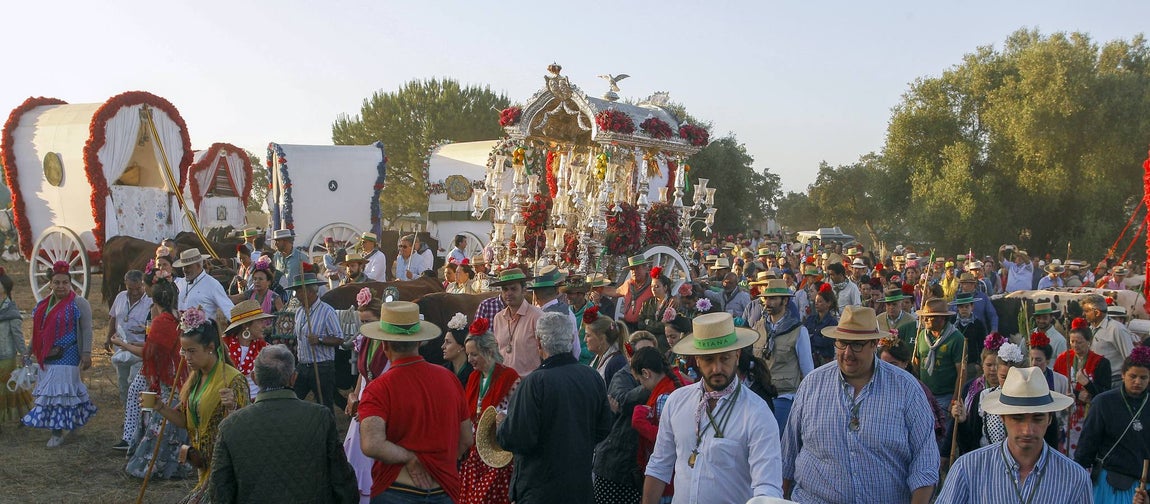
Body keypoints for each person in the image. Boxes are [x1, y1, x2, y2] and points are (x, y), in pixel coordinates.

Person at [783, 306, 938, 503]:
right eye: (842, 343)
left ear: (874, 344)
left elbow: (925, 463)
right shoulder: (811, 385)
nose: (847, 353)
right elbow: (787, 456)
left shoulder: (906, 388)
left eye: (856, 345)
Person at [642, 312, 781, 503]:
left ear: (737, 356)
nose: (717, 368)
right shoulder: (677, 402)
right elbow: (659, 465)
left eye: (724, 358)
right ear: (697, 360)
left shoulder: (757, 413)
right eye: (708, 359)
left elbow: (767, 487)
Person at [210, 345, 358, 503]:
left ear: (254, 378)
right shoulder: (321, 417)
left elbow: (220, 491)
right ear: (294, 378)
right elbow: (343, 482)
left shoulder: (230, 426)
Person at [358, 301, 471, 503]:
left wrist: (410, 457)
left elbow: (372, 444)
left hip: (396, 490)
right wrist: (438, 465)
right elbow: (466, 439)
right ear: (419, 343)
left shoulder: (378, 388)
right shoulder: (450, 379)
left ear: (384, 345)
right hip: (443, 490)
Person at [498, 312, 611, 503]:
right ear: (572, 339)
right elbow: (603, 428)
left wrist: (502, 425)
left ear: (539, 343)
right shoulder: (591, 377)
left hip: (540, 489)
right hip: (578, 488)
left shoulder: (535, 382)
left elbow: (518, 439)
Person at [940, 366, 1090, 502]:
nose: (1027, 430)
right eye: (1018, 418)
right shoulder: (968, 469)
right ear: (1002, 417)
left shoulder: (1075, 478)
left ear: (1049, 418)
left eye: (1037, 418)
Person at [153, 308, 250, 503]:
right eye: (184, 351)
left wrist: (232, 407)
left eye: (192, 351)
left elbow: (245, 428)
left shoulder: (233, 380)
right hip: (202, 466)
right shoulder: (195, 379)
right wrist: (160, 407)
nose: (186, 357)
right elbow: (185, 421)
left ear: (210, 348)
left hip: (224, 467)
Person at [22, 261, 98, 447]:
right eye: (57, 282)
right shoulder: (42, 305)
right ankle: (68, 427)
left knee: (61, 393)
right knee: (57, 395)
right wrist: (29, 351)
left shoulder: (79, 303)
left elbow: (86, 329)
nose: (61, 286)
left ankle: (57, 432)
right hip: (47, 356)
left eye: (65, 282)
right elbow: (37, 332)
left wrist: (86, 353)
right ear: (50, 284)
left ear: (70, 284)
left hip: (68, 355)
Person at [125, 277, 192, 480]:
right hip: (182, 379)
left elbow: (149, 353)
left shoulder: (162, 322)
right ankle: (179, 464)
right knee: (176, 422)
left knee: (163, 421)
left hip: (169, 380)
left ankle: (151, 466)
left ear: (155, 301)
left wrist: (123, 344)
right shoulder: (180, 317)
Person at [1075, 345, 1150, 503]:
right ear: (1123, 374)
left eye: (1143, 378)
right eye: (1133, 376)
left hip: (1143, 489)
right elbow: (1087, 446)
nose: (1137, 382)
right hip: (1109, 485)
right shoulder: (1104, 402)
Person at [459, 319, 520, 504]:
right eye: (468, 354)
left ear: (489, 351)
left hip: (497, 455)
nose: (469, 360)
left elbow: (518, 414)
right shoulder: (473, 377)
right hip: (474, 455)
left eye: (474, 354)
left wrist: (504, 417)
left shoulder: (509, 377)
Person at [753, 278, 813, 432]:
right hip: (759, 395)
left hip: (785, 396)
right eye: (766, 299)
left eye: (773, 299)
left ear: (785, 301)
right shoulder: (758, 327)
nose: (768, 303)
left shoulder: (798, 331)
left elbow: (808, 371)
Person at [344, 288, 388, 504]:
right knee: (357, 451)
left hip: (380, 403)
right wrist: (353, 395)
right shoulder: (365, 340)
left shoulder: (389, 344)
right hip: (363, 400)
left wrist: (368, 407)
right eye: (361, 322)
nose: (364, 327)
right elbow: (363, 374)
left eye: (368, 321)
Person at [630, 346, 684, 504]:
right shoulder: (675, 382)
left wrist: (640, 421)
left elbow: (666, 440)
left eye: (640, 380)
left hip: (666, 482)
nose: (642, 385)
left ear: (646, 373)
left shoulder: (664, 396)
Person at [1054, 318, 1114, 458]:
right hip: (1065, 414)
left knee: (1082, 451)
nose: (1075, 345)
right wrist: (1076, 393)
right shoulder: (1062, 359)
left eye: (1079, 342)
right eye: (1072, 341)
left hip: (1088, 415)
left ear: (1089, 341)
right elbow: (1056, 386)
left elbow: (1104, 393)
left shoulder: (1101, 363)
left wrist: (1087, 384)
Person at [290, 267, 344, 412]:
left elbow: (339, 338)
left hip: (321, 367)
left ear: (309, 292)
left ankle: (329, 427)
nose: (296, 295)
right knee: (293, 400)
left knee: (325, 406)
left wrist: (319, 339)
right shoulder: (299, 312)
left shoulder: (327, 311)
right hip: (303, 366)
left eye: (298, 291)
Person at [879, 334, 947, 444]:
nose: (888, 369)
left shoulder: (917, 390)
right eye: (884, 364)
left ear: (905, 363)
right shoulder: (875, 387)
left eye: (893, 364)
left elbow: (925, 431)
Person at [106, 270, 152, 412]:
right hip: (121, 349)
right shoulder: (120, 297)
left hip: (139, 350)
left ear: (143, 284)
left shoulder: (150, 301)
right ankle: (127, 412)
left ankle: (138, 413)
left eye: (138, 288)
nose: (135, 292)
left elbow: (153, 326)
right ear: (125, 284)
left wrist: (144, 330)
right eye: (131, 289)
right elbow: (113, 317)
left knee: (135, 382)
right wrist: (108, 338)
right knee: (123, 382)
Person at [491, 268, 544, 375]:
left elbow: (545, 353)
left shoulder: (537, 316)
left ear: (524, 290)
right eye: (505, 289)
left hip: (528, 380)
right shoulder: (498, 318)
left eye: (513, 289)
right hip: (504, 380)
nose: (508, 293)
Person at [221, 300, 275, 400]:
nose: (264, 325)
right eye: (260, 321)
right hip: (229, 403)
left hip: (258, 403)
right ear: (246, 325)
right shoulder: (223, 347)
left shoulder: (266, 350)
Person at [0, 267, 31, 427]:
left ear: (4, 288)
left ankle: (25, 415)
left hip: (6, 357)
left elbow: (18, 336)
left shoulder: (10, 310)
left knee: (11, 387)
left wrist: (24, 355)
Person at [1083, 294, 1138, 383]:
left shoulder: (1116, 329)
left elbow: (1130, 358)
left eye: (1087, 311)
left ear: (1097, 313)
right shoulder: (1091, 328)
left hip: (1114, 381)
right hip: (1096, 379)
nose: (1084, 314)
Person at [174, 248, 235, 323]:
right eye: (183, 267)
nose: (184, 270)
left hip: (205, 329)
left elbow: (228, 309)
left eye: (188, 267)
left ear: (198, 266)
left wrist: (239, 326)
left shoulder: (213, 285)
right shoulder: (179, 283)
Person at [584, 307, 629, 384]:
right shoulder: (595, 358)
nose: (584, 340)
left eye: (588, 335)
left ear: (601, 338)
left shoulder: (617, 363)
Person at [637, 267, 678, 345]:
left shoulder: (672, 303)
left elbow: (665, 327)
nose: (653, 289)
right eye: (652, 286)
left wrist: (648, 322)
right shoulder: (647, 303)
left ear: (665, 287)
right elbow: (640, 324)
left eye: (657, 286)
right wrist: (657, 325)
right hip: (648, 339)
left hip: (664, 342)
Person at [613, 255, 655, 332]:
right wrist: (598, 288)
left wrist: (674, 298)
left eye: (637, 268)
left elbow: (665, 295)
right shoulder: (628, 284)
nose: (634, 271)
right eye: (632, 269)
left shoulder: (653, 284)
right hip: (628, 326)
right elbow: (614, 292)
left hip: (645, 328)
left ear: (646, 268)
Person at [801, 283, 838, 367]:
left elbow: (826, 342)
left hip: (824, 361)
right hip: (811, 358)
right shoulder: (811, 319)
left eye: (820, 301)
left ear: (828, 303)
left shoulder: (832, 322)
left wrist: (811, 337)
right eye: (816, 301)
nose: (816, 303)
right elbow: (803, 337)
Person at [1028, 331, 1070, 395]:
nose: (1034, 363)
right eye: (1031, 359)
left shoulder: (1061, 381)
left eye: (1038, 360)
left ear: (1047, 361)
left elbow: (1068, 400)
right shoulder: (1023, 379)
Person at [442, 312, 474, 387]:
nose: (443, 346)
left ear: (462, 346)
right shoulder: (443, 371)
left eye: (448, 342)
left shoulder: (474, 371)